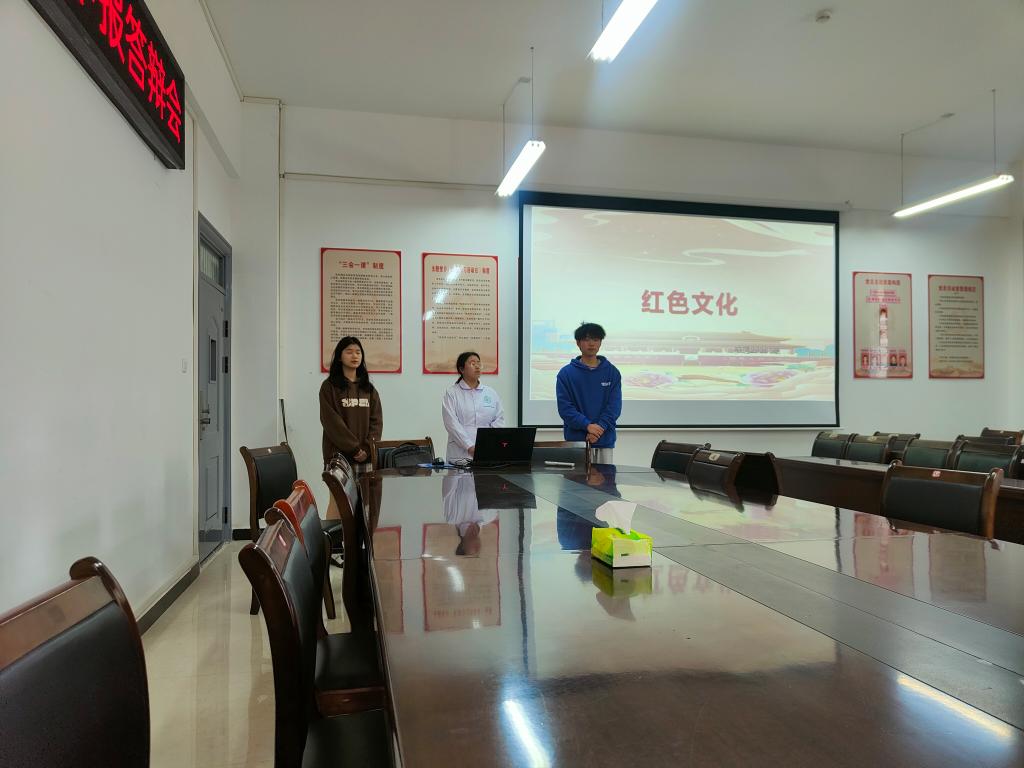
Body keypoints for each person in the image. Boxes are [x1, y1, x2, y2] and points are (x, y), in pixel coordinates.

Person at [555, 322, 622, 464]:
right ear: (578, 343)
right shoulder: (566, 374)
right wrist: (587, 426)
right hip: (577, 442)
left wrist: (599, 429)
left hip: (604, 441)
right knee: (577, 478)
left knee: (605, 478)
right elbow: (565, 409)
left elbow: (614, 407)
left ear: (600, 342)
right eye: (586, 339)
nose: (591, 344)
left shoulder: (612, 372)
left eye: (596, 339)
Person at [319, 336, 383, 475]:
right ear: (339, 357)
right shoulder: (329, 387)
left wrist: (367, 448)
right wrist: (354, 449)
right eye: (349, 352)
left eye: (358, 352)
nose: (354, 356)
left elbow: (376, 422)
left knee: (367, 490)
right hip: (338, 457)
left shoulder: (369, 389)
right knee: (339, 491)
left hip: (366, 458)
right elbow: (331, 422)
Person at [441, 351, 505, 462]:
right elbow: (451, 423)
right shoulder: (452, 393)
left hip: (486, 450)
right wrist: (469, 446)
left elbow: (499, 419)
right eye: (472, 363)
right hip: (460, 453)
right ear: (462, 369)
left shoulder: (490, 393)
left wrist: (491, 443)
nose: (477, 366)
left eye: (479, 363)